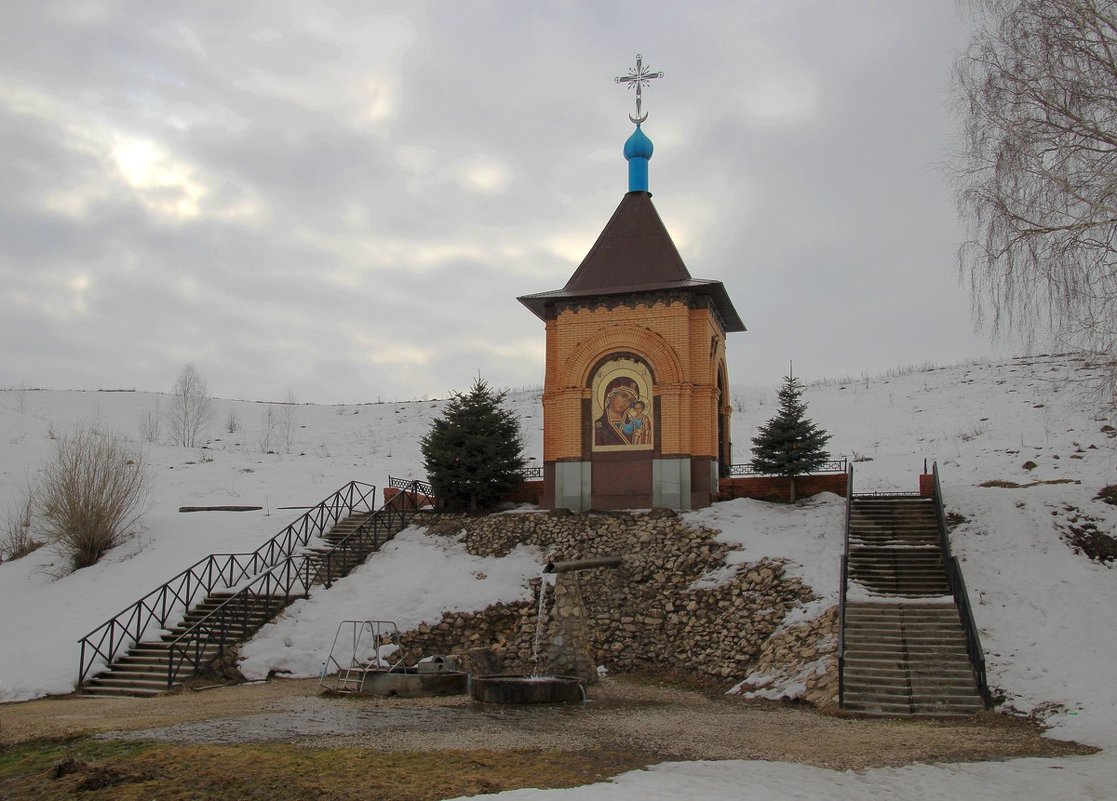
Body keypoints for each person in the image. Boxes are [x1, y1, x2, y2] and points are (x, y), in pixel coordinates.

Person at [594, 377, 640, 446]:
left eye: (630, 401)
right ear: (611, 394)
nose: (625, 402)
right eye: (623, 396)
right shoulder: (598, 425)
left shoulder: (632, 426)